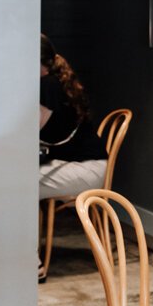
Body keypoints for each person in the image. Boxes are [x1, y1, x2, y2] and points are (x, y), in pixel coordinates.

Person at [39, 34, 108, 200]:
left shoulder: (48, 85)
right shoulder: (52, 81)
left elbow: (27, 131)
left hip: (85, 168)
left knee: (17, 181)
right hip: (72, 163)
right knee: (12, 177)